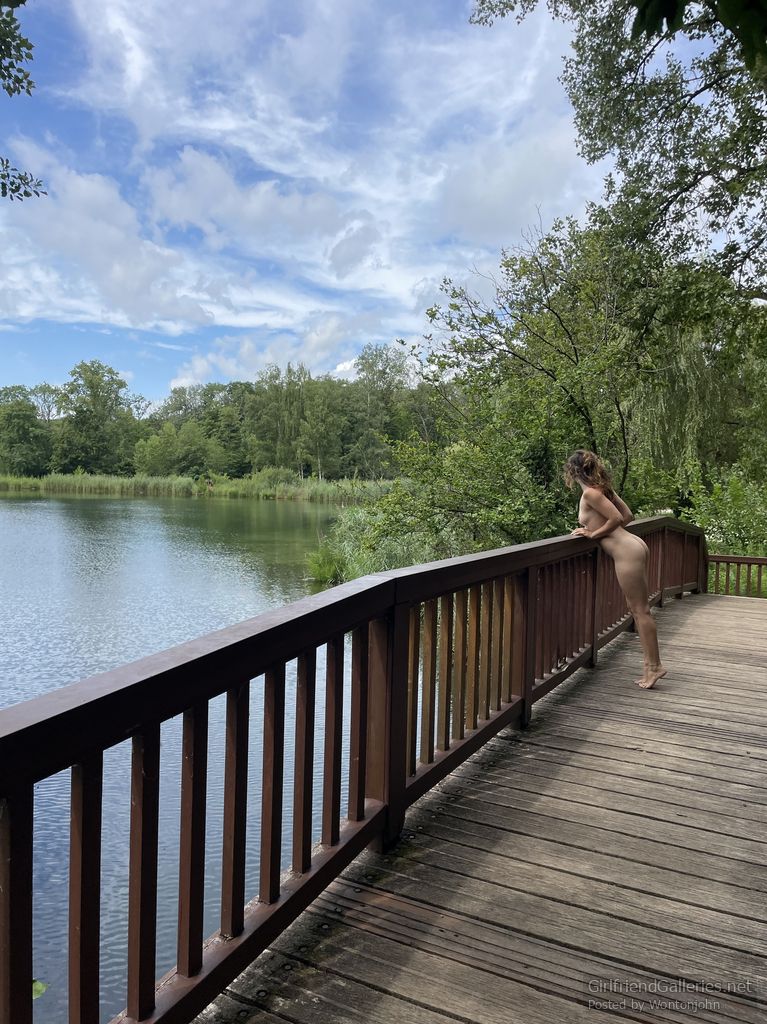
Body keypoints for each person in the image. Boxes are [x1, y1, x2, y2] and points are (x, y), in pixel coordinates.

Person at [564, 449, 666, 689]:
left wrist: (592, 534)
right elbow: (628, 515)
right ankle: (649, 666)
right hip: (633, 545)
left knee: (640, 611)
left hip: (626, 550)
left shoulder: (590, 493)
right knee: (639, 609)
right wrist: (600, 530)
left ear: (573, 471)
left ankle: (655, 667)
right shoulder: (603, 489)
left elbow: (618, 519)